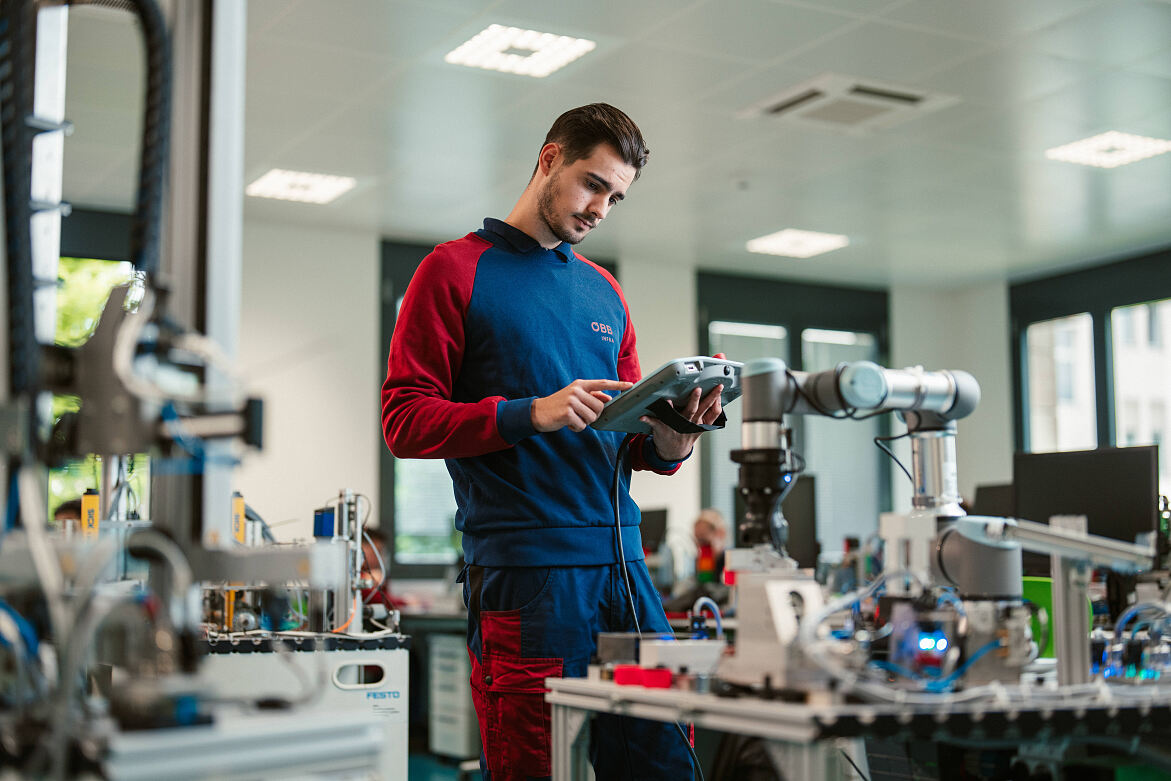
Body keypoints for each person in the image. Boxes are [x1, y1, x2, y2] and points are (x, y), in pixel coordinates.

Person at [381, 103, 723, 781]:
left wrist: (677, 433)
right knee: (533, 766)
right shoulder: (452, 270)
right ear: (548, 160)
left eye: (616, 197)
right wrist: (526, 413)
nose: (601, 208)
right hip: (527, 575)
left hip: (626, 576)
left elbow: (633, 446)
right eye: (593, 183)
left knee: (665, 765)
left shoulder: (604, 293)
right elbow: (404, 419)